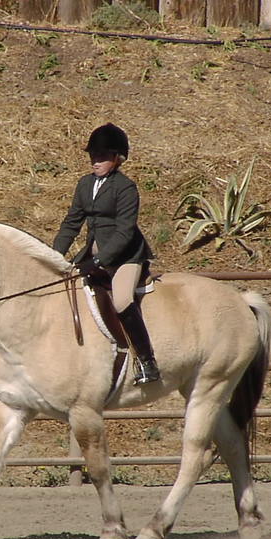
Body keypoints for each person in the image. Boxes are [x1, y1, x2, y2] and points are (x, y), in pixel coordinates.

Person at [53, 123, 160, 385]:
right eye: (93, 156)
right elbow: (71, 224)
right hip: (92, 255)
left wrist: (98, 261)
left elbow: (125, 232)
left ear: (117, 158)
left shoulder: (126, 188)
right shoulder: (84, 184)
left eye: (102, 156)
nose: (95, 161)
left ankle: (147, 361)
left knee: (122, 300)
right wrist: (53, 256)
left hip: (125, 257)